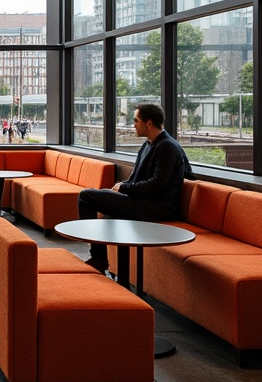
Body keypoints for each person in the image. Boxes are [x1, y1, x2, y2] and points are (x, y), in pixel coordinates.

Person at [77, 102, 192, 273]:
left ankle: (99, 258)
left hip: (155, 208)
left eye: (136, 120)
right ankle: (99, 258)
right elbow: (136, 177)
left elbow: (157, 184)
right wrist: (123, 186)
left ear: (149, 123)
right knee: (98, 195)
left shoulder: (167, 146)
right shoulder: (149, 144)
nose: (133, 125)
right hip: (141, 202)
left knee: (86, 196)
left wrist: (124, 188)